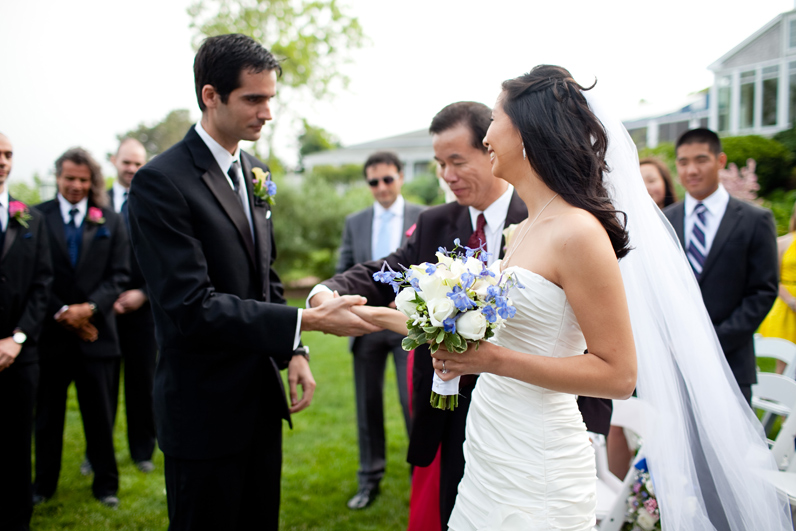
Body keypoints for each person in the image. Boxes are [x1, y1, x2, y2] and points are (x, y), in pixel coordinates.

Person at [354, 66, 792, 530]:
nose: (486, 138)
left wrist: (491, 360)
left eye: (495, 121)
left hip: (539, 457)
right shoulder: (524, 230)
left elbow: (619, 374)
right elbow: (488, 327)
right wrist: (373, 316)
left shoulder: (579, 232)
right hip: (492, 441)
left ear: (528, 133)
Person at [309, 101, 613, 530]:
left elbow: (585, 330)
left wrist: (592, 425)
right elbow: (386, 271)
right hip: (450, 409)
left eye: (457, 161)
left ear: (488, 152)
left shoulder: (546, 220)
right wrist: (328, 292)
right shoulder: (435, 221)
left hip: (535, 412)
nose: (447, 175)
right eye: (439, 164)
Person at [127, 33, 379, 530]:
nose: (267, 113)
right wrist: (307, 322)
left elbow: (263, 272)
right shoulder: (160, 182)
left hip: (260, 406)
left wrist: (294, 353)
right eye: (253, 99)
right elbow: (190, 308)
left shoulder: (256, 170)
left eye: (271, 100)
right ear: (210, 95)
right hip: (203, 411)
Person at [34, 147, 129, 508]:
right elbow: (36, 275)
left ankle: (106, 485)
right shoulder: (35, 217)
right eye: (69, 178)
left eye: (83, 180)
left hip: (98, 337)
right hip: (51, 338)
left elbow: (119, 275)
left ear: (93, 181)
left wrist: (88, 309)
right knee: (47, 418)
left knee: (100, 416)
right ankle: (43, 484)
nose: (76, 186)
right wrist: (63, 312)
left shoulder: (109, 220)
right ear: (58, 177)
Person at [663, 128, 778, 405]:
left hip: (732, 362)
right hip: (676, 364)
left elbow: (763, 291)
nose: (691, 170)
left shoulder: (755, 219)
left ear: (720, 161)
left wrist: (714, 342)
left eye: (701, 160)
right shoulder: (664, 221)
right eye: (683, 162)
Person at [337, 151, 424, 509]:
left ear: (400, 177)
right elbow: (344, 266)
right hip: (366, 323)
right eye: (374, 181)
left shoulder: (424, 216)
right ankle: (369, 479)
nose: (381, 187)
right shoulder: (354, 221)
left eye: (388, 179)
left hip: (409, 326)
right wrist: (362, 306)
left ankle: (419, 476)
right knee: (367, 404)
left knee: (413, 403)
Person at [0, 133, 53, 531]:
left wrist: (17, 338)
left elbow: (42, 284)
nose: (3, 161)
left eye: (8, 154)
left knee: (18, 443)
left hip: (22, 354)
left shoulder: (30, 217)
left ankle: (18, 518)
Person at [109, 137, 158, 472]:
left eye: (138, 163)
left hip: (143, 309)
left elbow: (164, 261)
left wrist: (143, 293)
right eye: (127, 162)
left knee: (142, 382)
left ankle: (142, 451)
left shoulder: (155, 202)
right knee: (102, 385)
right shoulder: (96, 202)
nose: (132, 169)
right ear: (115, 162)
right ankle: (97, 452)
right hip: (103, 310)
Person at [758, 201, 796, 373]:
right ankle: (777, 392)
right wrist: (791, 301)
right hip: (787, 303)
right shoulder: (783, 242)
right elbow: (773, 277)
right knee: (784, 357)